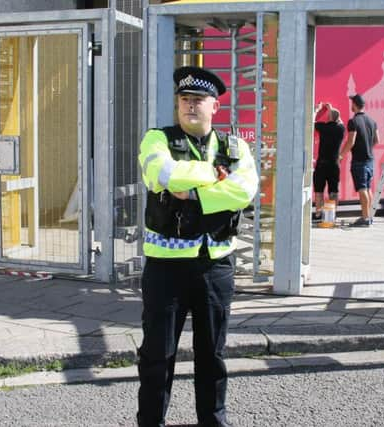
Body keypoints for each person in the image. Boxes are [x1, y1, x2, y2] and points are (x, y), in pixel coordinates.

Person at [137, 66, 259, 427]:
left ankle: (213, 422)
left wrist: (191, 192)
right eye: (184, 99)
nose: (190, 106)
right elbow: (163, 175)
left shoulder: (236, 146)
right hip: (166, 268)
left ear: (215, 106)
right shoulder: (155, 139)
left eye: (198, 100)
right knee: (157, 356)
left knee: (213, 355)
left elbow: (244, 189)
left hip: (216, 266)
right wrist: (213, 177)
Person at [339, 94, 379, 227]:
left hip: (359, 161)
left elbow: (351, 141)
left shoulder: (353, 121)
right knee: (367, 188)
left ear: (354, 105)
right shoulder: (372, 121)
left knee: (362, 189)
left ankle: (365, 218)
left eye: (352, 103)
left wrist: (340, 156)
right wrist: (367, 147)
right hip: (370, 160)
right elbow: (377, 140)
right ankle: (369, 216)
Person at [312, 102, 345, 221]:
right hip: (334, 164)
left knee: (319, 190)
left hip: (322, 164)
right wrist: (332, 110)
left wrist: (317, 110)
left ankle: (318, 214)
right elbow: (340, 120)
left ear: (329, 118)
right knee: (333, 191)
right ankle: (332, 215)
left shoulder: (323, 127)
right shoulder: (341, 129)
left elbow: (312, 122)